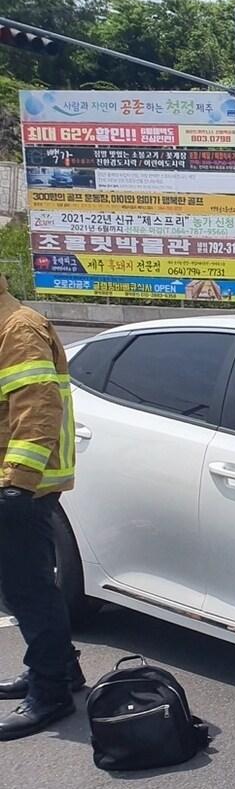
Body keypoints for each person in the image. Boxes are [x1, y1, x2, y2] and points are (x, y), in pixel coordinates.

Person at [0, 273, 83, 741]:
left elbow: (37, 409)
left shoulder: (18, 327)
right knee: (27, 588)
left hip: (22, 486)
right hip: (14, 481)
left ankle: (51, 692)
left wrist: (17, 484)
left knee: (26, 589)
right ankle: (57, 670)